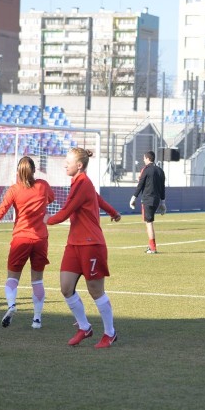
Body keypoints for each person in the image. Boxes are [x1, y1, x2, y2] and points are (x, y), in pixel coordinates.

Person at [47, 147, 122, 349]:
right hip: (74, 243)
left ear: (79, 165)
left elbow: (66, 211)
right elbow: (99, 200)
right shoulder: (79, 183)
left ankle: (110, 333)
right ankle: (84, 327)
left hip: (91, 244)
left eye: (67, 161)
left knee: (95, 290)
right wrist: (114, 212)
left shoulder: (82, 183)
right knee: (65, 287)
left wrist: (46, 219)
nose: (64, 164)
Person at [0, 156, 55, 330]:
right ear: (34, 170)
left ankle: (11, 305)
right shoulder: (43, 185)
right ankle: (37, 320)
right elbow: (51, 199)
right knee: (37, 281)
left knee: (12, 278)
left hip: (21, 239)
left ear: (18, 172)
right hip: (40, 239)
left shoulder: (14, 190)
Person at [130, 150, 166, 254]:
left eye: (144, 158)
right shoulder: (160, 171)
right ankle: (150, 246)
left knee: (149, 223)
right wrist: (163, 202)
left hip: (147, 200)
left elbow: (140, 184)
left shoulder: (146, 170)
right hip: (156, 200)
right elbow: (162, 188)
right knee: (148, 222)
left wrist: (133, 197)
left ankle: (153, 248)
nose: (143, 160)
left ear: (147, 158)